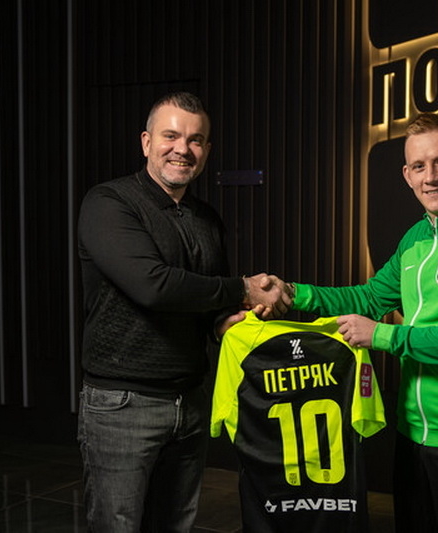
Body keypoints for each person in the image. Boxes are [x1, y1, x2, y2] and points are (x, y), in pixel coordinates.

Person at [285, 112, 438, 532]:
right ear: (407, 175)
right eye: (419, 166)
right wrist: (292, 293)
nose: (430, 177)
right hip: (412, 434)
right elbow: (368, 298)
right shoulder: (414, 239)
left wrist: (381, 335)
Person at [77, 91, 290, 532]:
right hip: (123, 404)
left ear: (207, 150)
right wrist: (244, 288)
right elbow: (153, 286)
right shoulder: (109, 203)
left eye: (195, 140)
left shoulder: (206, 218)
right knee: (117, 526)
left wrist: (225, 322)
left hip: (190, 401)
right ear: (146, 142)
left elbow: (206, 303)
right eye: (170, 136)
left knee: (176, 524)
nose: (183, 149)